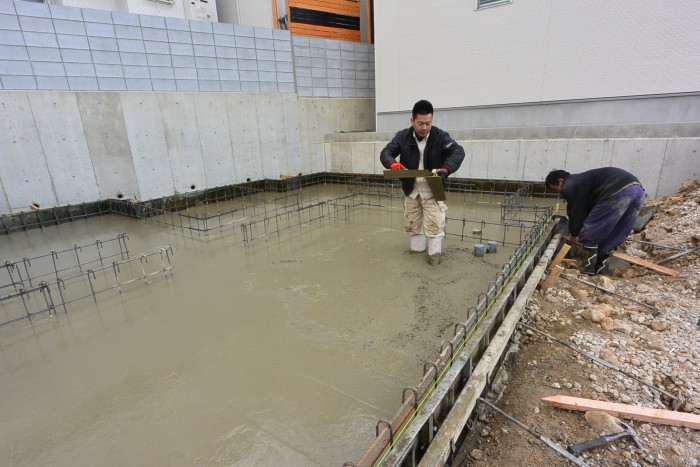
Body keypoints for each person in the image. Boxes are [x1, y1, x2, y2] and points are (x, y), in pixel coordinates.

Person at [380, 100, 465, 265]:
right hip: (411, 189)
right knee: (413, 225)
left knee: (434, 226)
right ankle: (416, 257)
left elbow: (458, 151)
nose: (425, 127)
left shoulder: (440, 137)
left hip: (432, 189)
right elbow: (386, 152)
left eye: (428, 123)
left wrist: (446, 169)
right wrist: (392, 163)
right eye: (420, 123)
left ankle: (434, 259)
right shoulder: (402, 137)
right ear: (412, 121)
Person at [545, 167, 646, 275]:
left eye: (556, 189)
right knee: (616, 231)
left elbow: (576, 211)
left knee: (591, 229)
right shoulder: (583, 181)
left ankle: (587, 267)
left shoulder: (570, 185)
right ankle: (601, 268)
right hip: (638, 191)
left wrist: (574, 234)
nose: (559, 192)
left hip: (618, 191)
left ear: (560, 181)